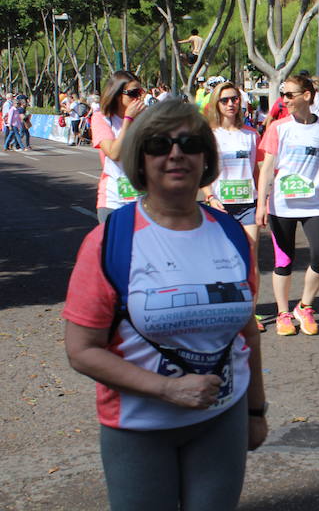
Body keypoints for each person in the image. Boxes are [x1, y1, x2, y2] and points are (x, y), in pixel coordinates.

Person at [62, 99, 267, 510]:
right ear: (140, 158)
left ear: (206, 158)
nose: (176, 153)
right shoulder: (110, 241)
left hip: (221, 417)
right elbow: (81, 350)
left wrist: (255, 410)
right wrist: (167, 389)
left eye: (190, 143)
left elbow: (246, 333)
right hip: (139, 425)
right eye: (159, 144)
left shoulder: (231, 234)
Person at [256, 75, 319, 337]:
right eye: (283, 95)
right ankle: (283, 313)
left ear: (307, 95)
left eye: (290, 95)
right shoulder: (279, 128)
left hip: (314, 205)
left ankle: (305, 306)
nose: (285, 100)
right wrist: (261, 205)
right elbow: (267, 168)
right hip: (282, 205)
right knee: (284, 261)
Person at [200, 81, 265, 332]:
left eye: (235, 99)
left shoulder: (251, 134)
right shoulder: (209, 135)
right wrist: (209, 196)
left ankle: (250, 313)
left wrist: (263, 200)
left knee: (249, 258)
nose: (230, 104)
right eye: (225, 100)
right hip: (220, 205)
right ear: (216, 103)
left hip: (248, 202)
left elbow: (256, 169)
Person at [92, 71, 147, 222]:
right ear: (117, 94)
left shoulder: (144, 119)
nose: (139, 97)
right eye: (133, 93)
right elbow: (114, 153)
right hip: (113, 199)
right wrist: (128, 119)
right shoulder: (102, 118)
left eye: (141, 92)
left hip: (144, 199)